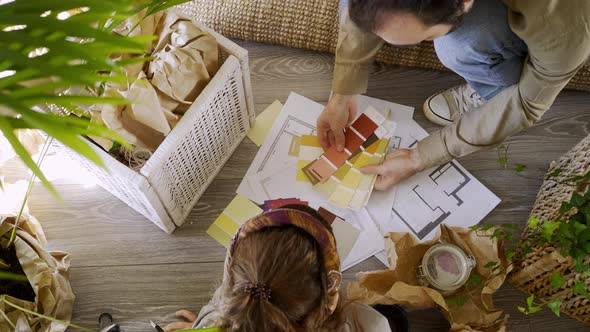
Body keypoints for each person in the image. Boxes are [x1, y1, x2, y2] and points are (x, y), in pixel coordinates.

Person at [319, 0, 590, 190]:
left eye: (424, 37)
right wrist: (342, 93)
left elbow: (526, 103)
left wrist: (420, 157)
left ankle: (488, 89)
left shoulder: (562, 23)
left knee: (460, 46)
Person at [164, 205, 408, 331]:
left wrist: (209, 326)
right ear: (329, 291)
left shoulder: (214, 317)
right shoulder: (370, 324)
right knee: (395, 316)